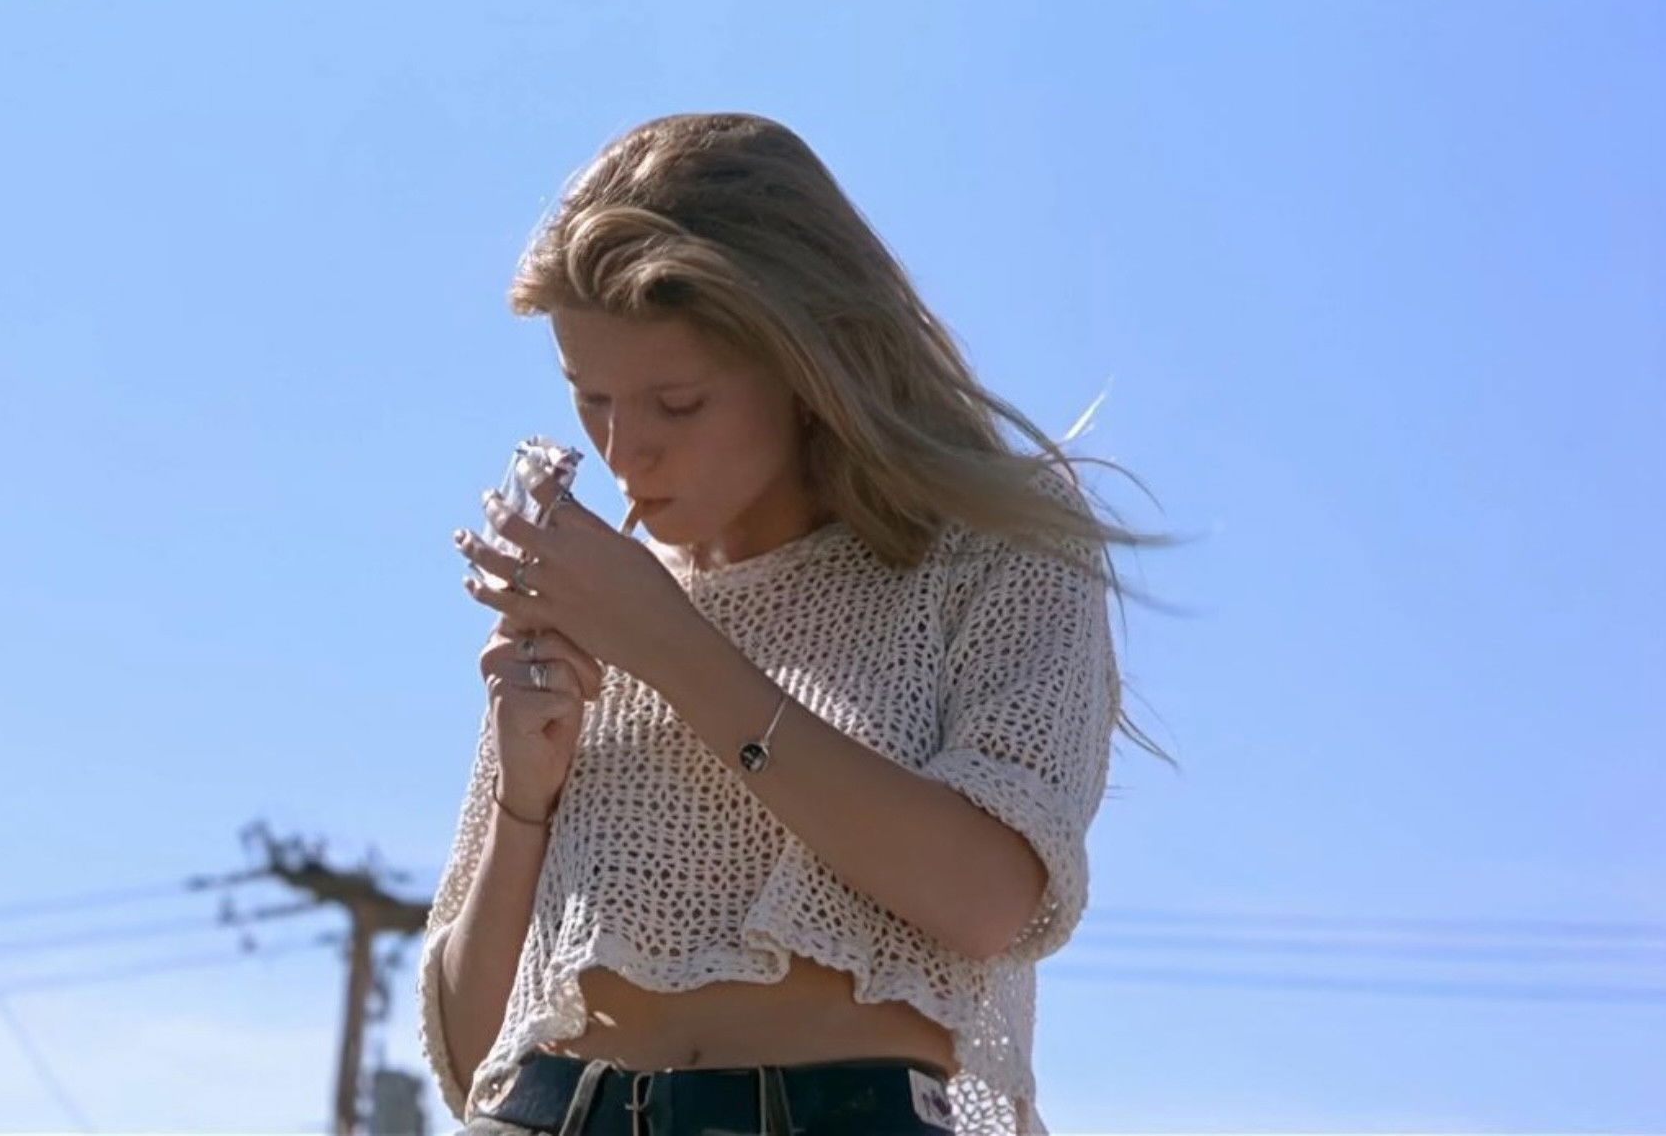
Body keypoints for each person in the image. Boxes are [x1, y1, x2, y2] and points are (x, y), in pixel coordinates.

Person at [417, 112, 1177, 1136]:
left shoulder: (994, 546)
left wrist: (671, 649)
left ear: (808, 365)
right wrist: (525, 797)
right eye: (590, 397)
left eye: (676, 403)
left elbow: (988, 898)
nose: (623, 451)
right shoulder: (596, 602)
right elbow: (472, 1062)